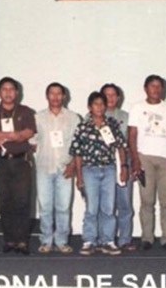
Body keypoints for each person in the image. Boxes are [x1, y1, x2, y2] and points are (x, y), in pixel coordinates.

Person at [127, 75, 166, 251]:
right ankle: (147, 238)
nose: (156, 89)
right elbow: (132, 135)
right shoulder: (137, 108)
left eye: (159, 86)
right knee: (146, 200)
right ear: (145, 88)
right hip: (145, 159)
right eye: (152, 86)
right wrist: (135, 160)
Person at [71, 91, 128, 256]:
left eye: (102, 104)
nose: (99, 107)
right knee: (91, 208)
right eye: (96, 104)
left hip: (109, 169)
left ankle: (108, 241)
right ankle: (89, 240)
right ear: (89, 107)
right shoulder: (83, 126)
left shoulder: (111, 124)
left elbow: (120, 146)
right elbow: (77, 152)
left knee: (108, 207)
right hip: (89, 170)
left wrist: (123, 167)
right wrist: (79, 176)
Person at [0, 76, 37, 255]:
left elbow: (27, 133)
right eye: (4, 89)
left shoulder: (26, 111)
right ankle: (9, 240)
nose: (8, 92)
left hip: (22, 162)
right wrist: (14, 134)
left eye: (11, 89)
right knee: (5, 202)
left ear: (17, 93)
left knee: (22, 202)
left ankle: (22, 241)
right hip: (2, 163)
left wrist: (5, 136)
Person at [32, 82, 81, 254]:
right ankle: (46, 240)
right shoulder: (38, 117)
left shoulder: (73, 118)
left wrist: (73, 165)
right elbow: (33, 142)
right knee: (45, 207)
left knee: (63, 207)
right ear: (47, 96)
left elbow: (78, 145)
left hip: (65, 169)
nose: (55, 97)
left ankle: (61, 241)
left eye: (59, 94)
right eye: (52, 94)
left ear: (64, 96)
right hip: (44, 168)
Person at [100, 83, 135, 252]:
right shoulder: (92, 116)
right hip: (102, 165)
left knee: (125, 203)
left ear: (119, 97)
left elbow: (132, 141)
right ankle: (104, 239)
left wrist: (128, 164)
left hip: (123, 163)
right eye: (106, 95)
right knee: (104, 205)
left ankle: (125, 239)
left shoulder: (126, 117)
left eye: (114, 95)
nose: (110, 98)